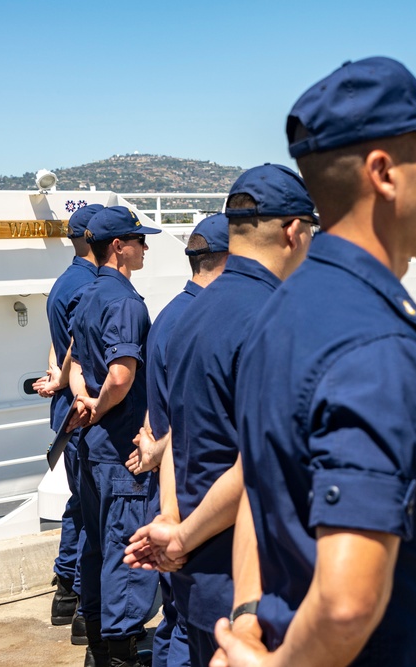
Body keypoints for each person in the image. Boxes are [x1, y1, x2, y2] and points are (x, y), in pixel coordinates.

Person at [210, 56, 416, 667]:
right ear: (384, 173)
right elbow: (346, 602)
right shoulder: (375, 343)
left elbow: (260, 490)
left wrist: (250, 615)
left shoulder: (278, 318)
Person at [126, 165, 316, 667]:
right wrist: (181, 536)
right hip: (251, 588)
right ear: (295, 231)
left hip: (192, 573)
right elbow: (257, 467)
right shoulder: (277, 320)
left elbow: (174, 438)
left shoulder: (188, 317)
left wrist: (170, 520)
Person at [131, 213, 230, 667]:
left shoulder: (170, 315)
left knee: (176, 620)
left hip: (169, 489)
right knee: (194, 632)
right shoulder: (209, 320)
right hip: (202, 494)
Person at [67, 205, 161, 667]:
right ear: (119, 247)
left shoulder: (87, 295)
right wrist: (100, 409)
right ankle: (122, 649)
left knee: (95, 541)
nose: (146, 247)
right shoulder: (125, 301)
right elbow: (122, 377)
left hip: (90, 450)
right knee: (126, 542)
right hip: (119, 445)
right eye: (140, 239)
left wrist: (84, 401)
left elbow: (78, 364)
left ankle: (100, 642)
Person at [33, 202, 102, 642]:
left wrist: (57, 373)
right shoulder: (92, 286)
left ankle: (66, 591)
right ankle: (83, 604)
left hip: (66, 409)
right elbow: (79, 340)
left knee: (79, 504)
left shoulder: (64, 282)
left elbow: (59, 344)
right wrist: (69, 379)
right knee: (94, 511)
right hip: (86, 407)